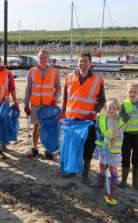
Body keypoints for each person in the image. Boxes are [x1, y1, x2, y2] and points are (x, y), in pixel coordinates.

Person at [61, 52, 106, 181]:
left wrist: (96, 110)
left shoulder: (98, 80)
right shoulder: (69, 77)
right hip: (71, 119)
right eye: (81, 61)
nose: (83, 63)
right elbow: (65, 97)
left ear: (90, 64)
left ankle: (85, 173)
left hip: (88, 120)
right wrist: (62, 111)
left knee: (88, 147)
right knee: (72, 146)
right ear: (77, 62)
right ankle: (72, 170)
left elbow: (102, 100)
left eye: (85, 61)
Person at [24, 50, 61, 159]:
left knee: (48, 128)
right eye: (41, 58)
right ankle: (35, 148)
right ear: (38, 58)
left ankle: (48, 149)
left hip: (48, 105)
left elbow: (58, 88)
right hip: (35, 104)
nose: (43, 60)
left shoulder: (54, 71)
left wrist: (55, 99)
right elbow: (28, 89)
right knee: (36, 126)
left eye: (45, 58)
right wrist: (26, 105)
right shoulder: (31, 71)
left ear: (48, 58)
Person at [118, 82, 138, 190]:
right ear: (126, 92)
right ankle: (123, 181)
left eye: (135, 92)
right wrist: (130, 113)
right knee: (125, 157)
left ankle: (135, 183)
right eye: (130, 91)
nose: (132, 94)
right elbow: (122, 119)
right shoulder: (123, 104)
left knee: (137, 158)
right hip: (126, 136)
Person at [93, 98, 125, 203]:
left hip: (113, 149)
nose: (111, 110)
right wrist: (98, 134)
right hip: (102, 146)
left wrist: (109, 149)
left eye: (114, 108)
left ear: (118, 109)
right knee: (102, 165)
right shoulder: (101, 118)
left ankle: (112, 189)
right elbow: (97, 128)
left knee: (112, 168)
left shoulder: (120, 122)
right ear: (106, 108)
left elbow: (115, 138)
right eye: (109, 108)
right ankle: (101, 183)